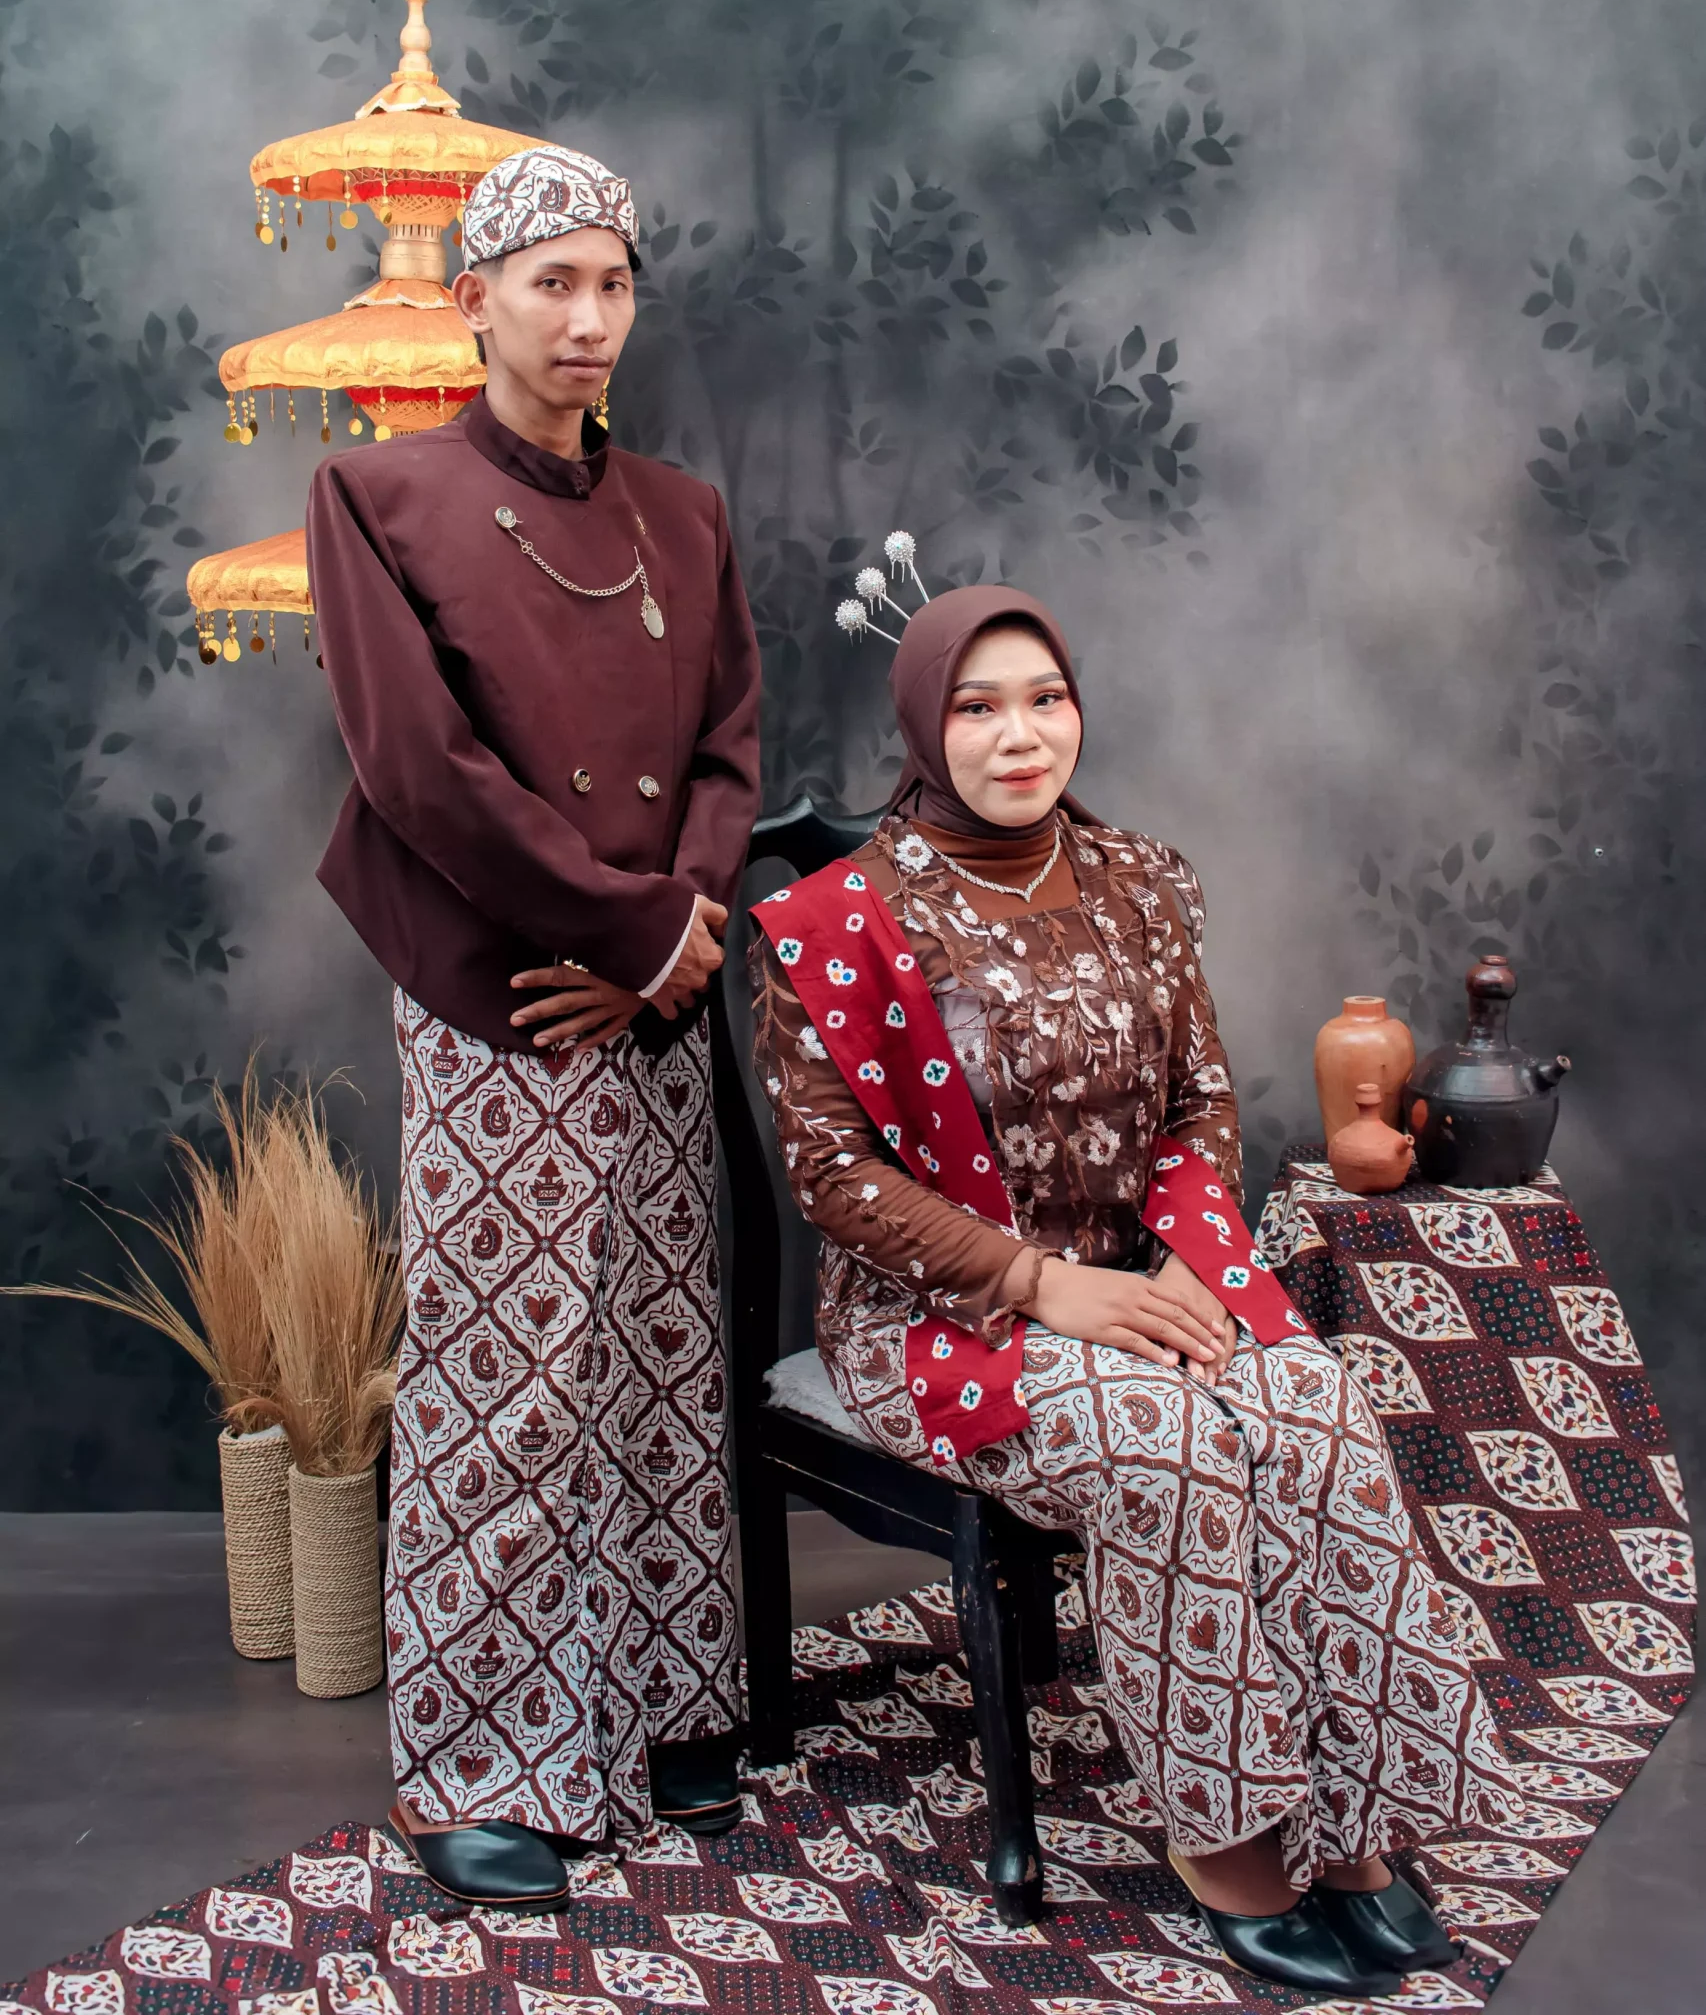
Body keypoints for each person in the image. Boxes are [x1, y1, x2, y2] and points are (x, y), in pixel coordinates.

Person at [750, 583, 1533, 1998]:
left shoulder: (1140, 880)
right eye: (978, 708)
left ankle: (1353, 1826)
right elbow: (833, 1179)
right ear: (924, 727)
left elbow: (1195, 1107)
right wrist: (1038, 1283)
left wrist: (1189, 1257)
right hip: (939, 1319)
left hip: (1146, 1274)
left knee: (1313, 1409)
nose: (1020, 736)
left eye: (1044, 699)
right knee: (1166, 1446)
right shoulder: (835, 921)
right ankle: (1229, 1841)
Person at [306, 144, 761, 1906]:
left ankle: (668, 1701)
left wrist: (682, 935)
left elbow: (725, 746)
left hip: (652, 995)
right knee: (508, 1379)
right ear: (474, 300)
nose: (587, 318)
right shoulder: (379, 494)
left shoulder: (683, 512)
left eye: (612, 283)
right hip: (502, 993)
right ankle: (479, 1761)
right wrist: (631, 929)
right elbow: (419, 770)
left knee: (655, 1356)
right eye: (550, 283)